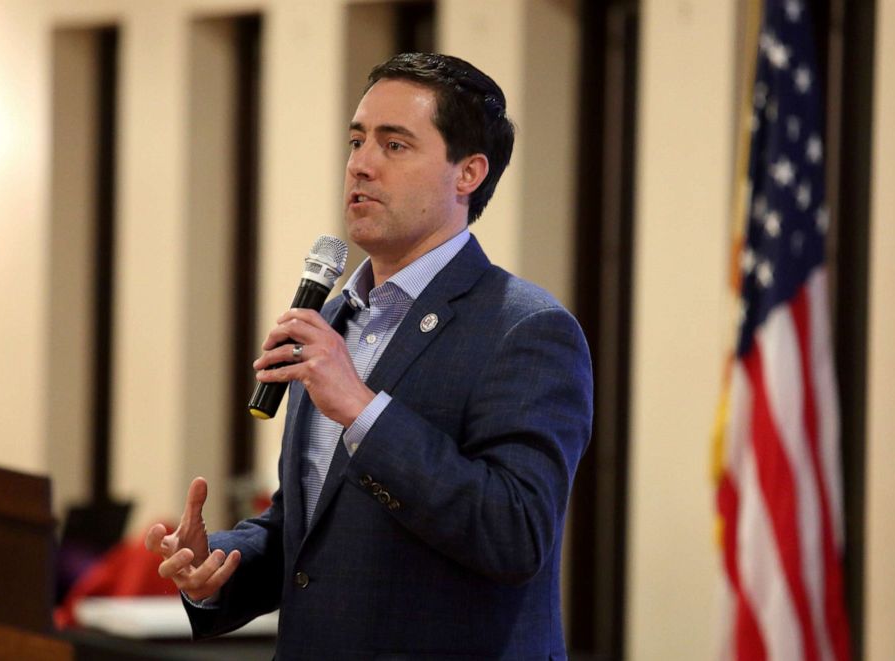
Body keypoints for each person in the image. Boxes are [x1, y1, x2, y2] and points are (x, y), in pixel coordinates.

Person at [146, 52, 593, 660]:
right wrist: (217, 565)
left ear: (468, 173)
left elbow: (515, 533)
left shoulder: (527, 329)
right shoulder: (333, 321)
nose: (361, 164)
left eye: (395, 145)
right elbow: (314, 525)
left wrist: (361, 408)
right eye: (357, 141)